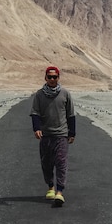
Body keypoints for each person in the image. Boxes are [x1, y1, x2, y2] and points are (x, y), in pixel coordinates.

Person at [30, 66, 76, 206]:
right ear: (45, 78)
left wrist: (72, 132)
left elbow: (71, 114)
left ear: (58, 78)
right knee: (46, 163)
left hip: (61, 134)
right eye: (49, 77)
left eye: (54, 77)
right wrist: (36, 128)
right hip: (45, 135)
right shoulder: (39, 95)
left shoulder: (65, 94)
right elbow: (35, 113)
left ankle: (60, 192)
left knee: (61, 163)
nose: (52, 79)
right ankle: (50, 187)